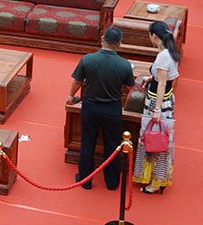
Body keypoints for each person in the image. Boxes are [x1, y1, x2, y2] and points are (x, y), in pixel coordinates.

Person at [66, 27, 135, 190]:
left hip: (91, 107)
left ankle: (85, 180)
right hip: (112, 109)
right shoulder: (125, 64)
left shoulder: (88, 59)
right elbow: (128, 87)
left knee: (87, 143)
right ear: (120, 44)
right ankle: (112, 182)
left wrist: (70, 96)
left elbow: (78, 81)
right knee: (112, 145)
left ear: (103, 39)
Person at [133, 20, 181, 194]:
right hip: (167, 98)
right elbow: (164, 78)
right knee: (160, 138)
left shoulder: (163, 56)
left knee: (154, 138)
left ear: (154, 36)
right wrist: (151, 78)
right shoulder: (171, 51)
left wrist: (157, 110)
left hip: (157, 102)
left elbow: (161, 84)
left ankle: (155, 181)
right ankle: (156, 177)